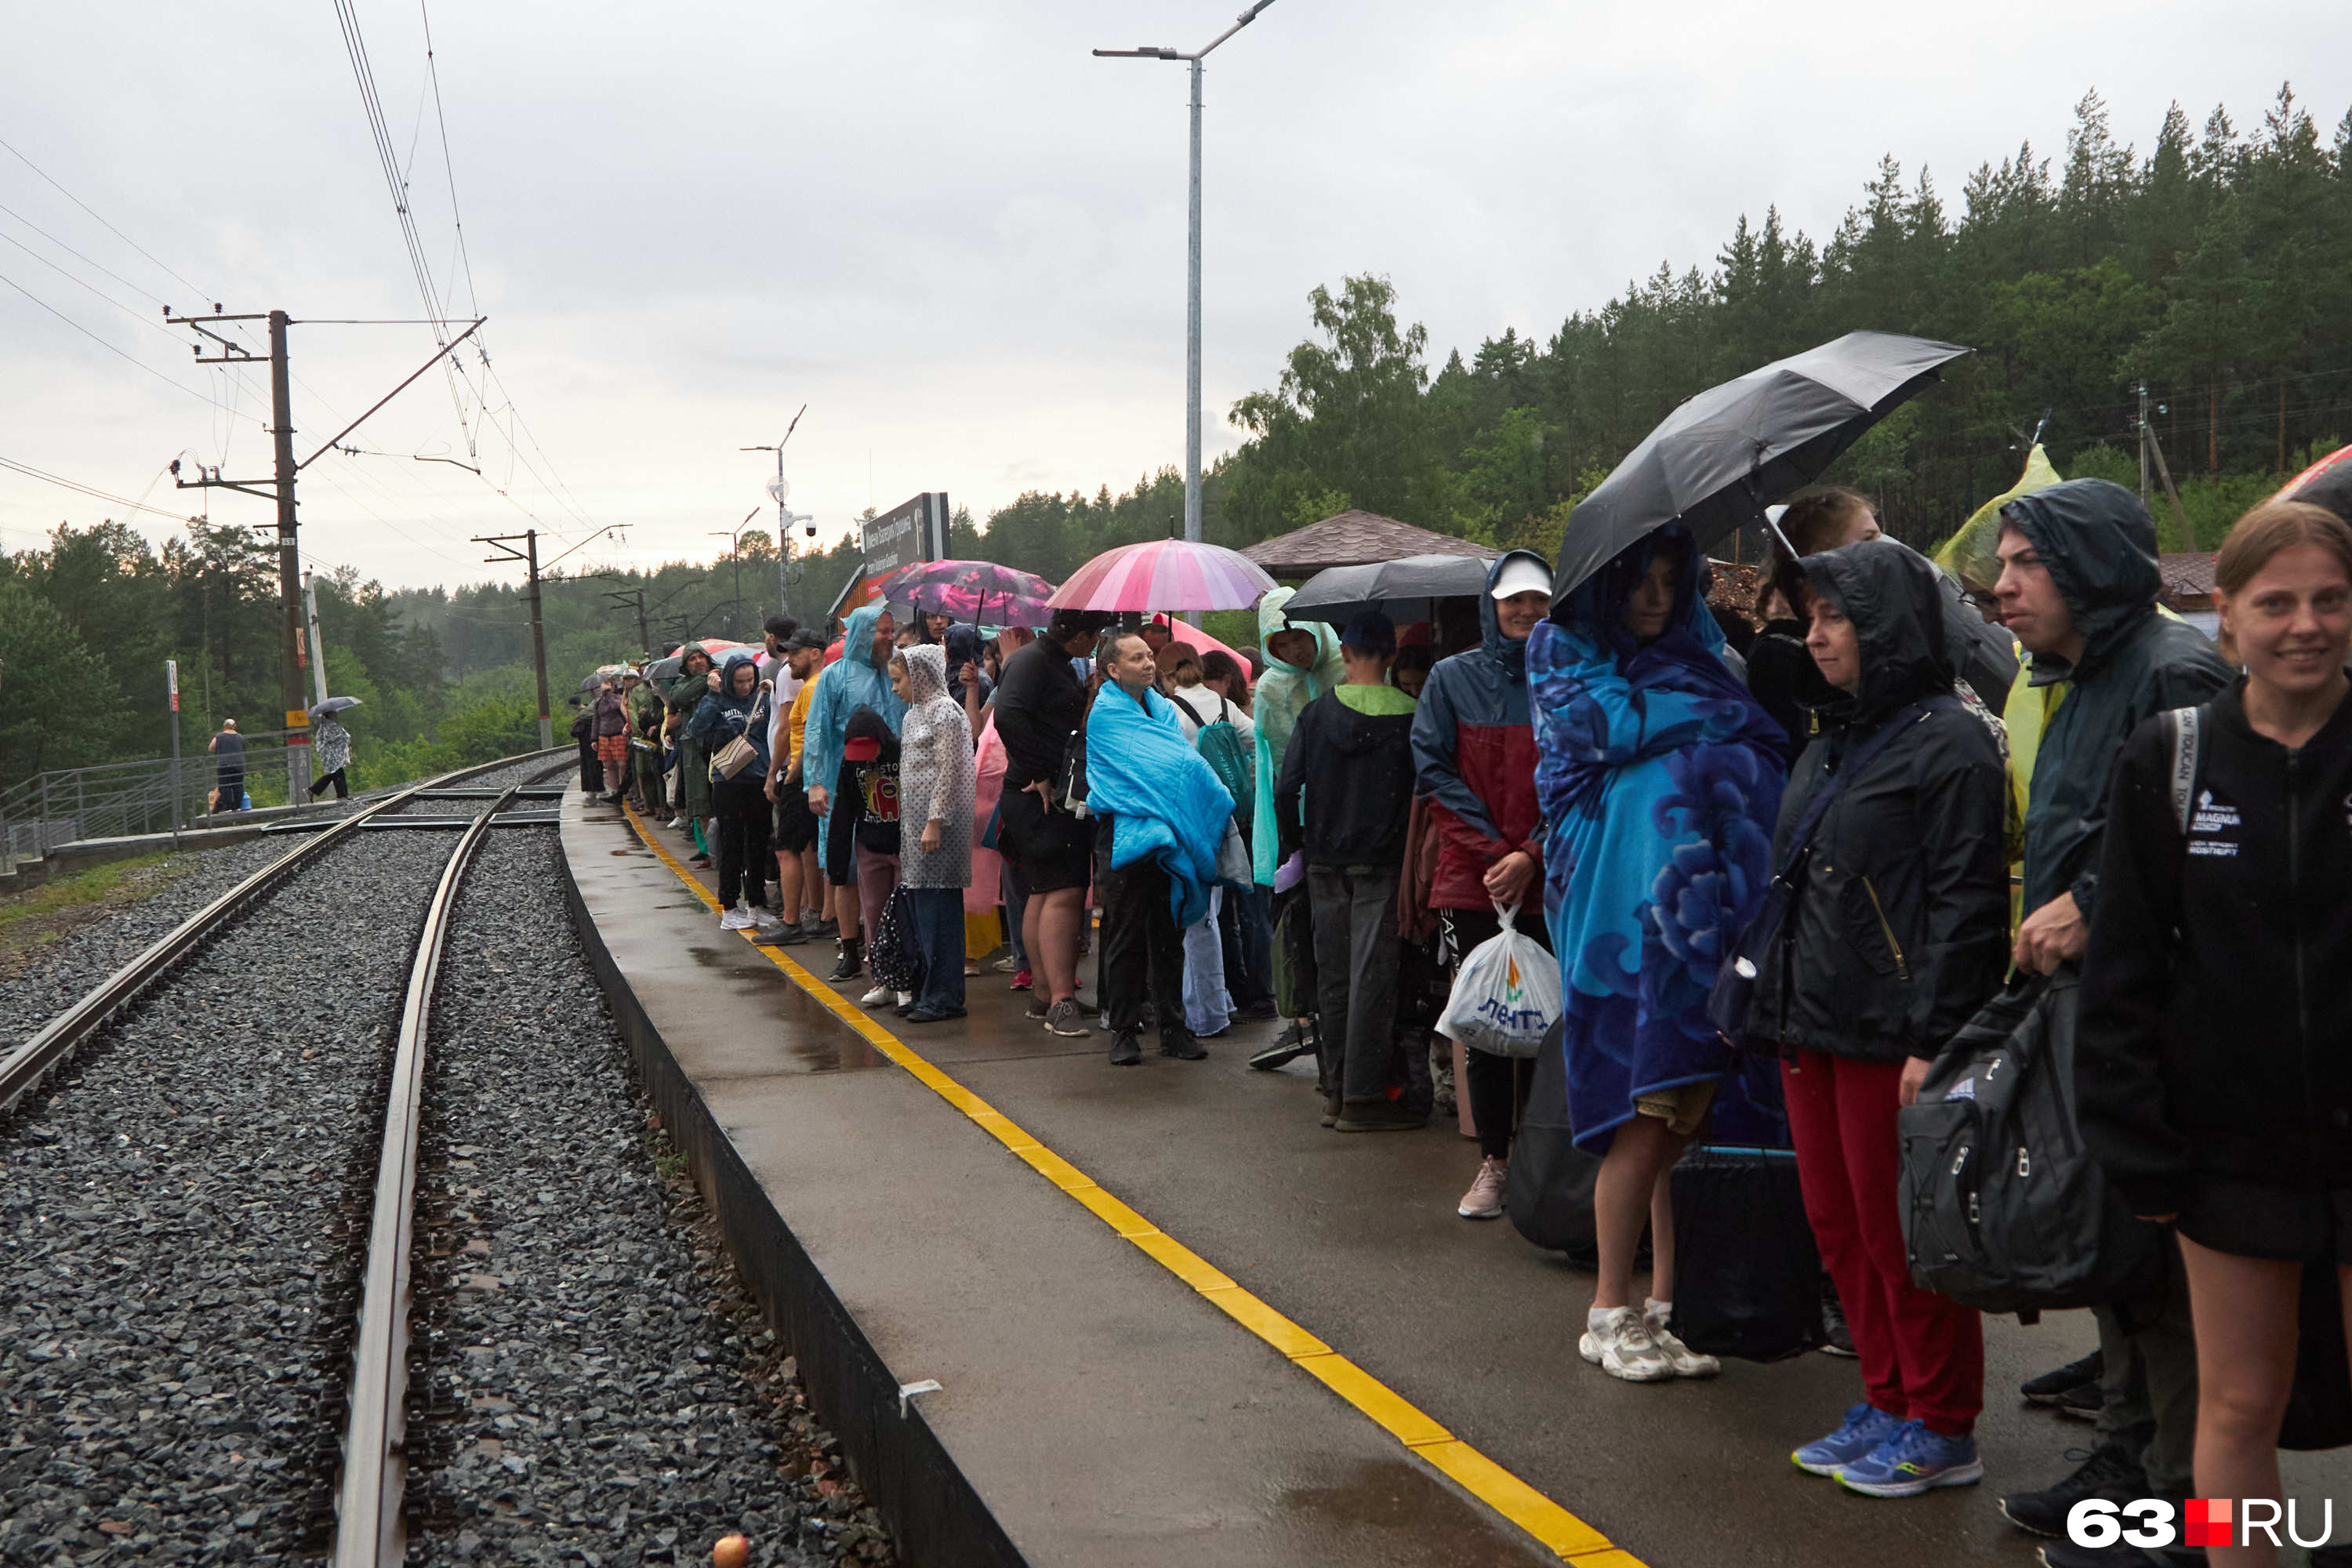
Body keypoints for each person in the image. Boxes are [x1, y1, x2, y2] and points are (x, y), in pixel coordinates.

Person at [2075, 501, 2352, 1568]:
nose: (2306, 625)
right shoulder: (2172, 756)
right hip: (2225, 1156)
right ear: (2224, 616)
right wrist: (2142, 1153)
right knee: (2235, 1409)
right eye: (2276, 603)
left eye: (2330, 599)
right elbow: (2124, 975)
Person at [1979, 481, 2236, 1555]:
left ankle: (2192, 1504)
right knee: (2118, 1256)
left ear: (2085, 563)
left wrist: (2091, 906)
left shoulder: (2177, 670)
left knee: (2177, 1279)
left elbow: (2217, 841)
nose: (1999, 587)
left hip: (2181, 1028)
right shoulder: (2074, 675)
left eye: (2024, 561)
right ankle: (2129, 1461)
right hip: (2101, 1017)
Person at [1742, 539, 2008, 1495]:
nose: (1813, 635)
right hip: (1810, 1021)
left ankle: (1942, 1421)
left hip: (1892, 1031)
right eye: (1808, 617)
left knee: (1903, 1232)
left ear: (1888, 624)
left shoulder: (1953, 740)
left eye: (1835, 617)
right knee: (1839, 1224)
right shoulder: (1831, 738)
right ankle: (1889, 1396)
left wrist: (1934, 1038)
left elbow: (1966, 903)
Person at [1529, 527, 1787, 1384]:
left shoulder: (1694, 652)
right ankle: (1609, 1308)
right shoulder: (1559, 646)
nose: (1653, 598)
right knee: (1640, 1113)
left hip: (1705, 919)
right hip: (1615, 906)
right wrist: (1725, 721)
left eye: (1671, 582)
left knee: (1687, 1115)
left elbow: (1746, 732)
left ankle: (1672, 1300)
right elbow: (1608, 724)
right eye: (1639, 581)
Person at [1410, 550, 1553, 1217]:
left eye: (1538, 600)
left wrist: (1533, 853)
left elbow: (1585, 778)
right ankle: (1494, 1161)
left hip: (1556, 878)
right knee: (1491, 1027)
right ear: (1491, 604)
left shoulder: (1571, 676)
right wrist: (1501, 854)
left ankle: (1549, 1164)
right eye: (1513, 600)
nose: (1525, 612)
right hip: (1476, 881)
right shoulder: (1451, 678)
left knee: (1559, 1022)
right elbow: (1435, 773)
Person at [1275, 611, 1421, 1131]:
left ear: (1348, 654)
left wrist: (1299, 845)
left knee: (1332, 978)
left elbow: (1286, 788)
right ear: (1389, 656)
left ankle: (1335, 1091)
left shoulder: (1316, 715)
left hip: (1324, 863)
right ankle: (1364, 1099)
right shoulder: (1411, 715)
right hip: (1382, 863)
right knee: (1373, 978)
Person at [1085, 630, 1231, 1067]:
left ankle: (1174, 1027)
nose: (1149, 664)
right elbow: (1172, 768)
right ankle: (1125, 1031)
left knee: (1169, 937)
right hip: (1126, 836)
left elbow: (1175, 767)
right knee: (1127, 937)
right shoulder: (1105, 715)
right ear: (1114, 670)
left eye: (1150, 656)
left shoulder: (1163, 709)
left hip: (1168, 834)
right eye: (1137, 658)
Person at [1249, 589, 1348, 1069]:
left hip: (1351, 811)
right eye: (1281, 644)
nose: (1293, 652)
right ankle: (1304, 1020)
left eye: (1299, 639)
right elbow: (1270, 764)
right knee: (1299, 919)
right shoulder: (1269, 689)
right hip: (1299, 818)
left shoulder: (1348, 669)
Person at [993, 609, 1103, 1038]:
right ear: (1078, 637)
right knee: (1063, 892)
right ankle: (1060, 1000)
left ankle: (1044, 995)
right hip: (1038, 793)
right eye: (1093, 636)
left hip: (1038, 792)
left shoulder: (1047, 660)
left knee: (1044, 890)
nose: (1095, 644)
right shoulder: (1034, 660)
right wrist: (1039, 771)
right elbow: (1007, 716)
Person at [801, 605, 904, 981]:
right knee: (843, 869)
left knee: (888, 865)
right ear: (863, 633)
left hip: (890, 785)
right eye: (883, 632)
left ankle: (890, 944)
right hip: (843, 784)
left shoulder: (895, 673)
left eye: (892, 631)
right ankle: (848, 946)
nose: (890, 638)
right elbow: (816, 730)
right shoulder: (834, 676)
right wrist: (814, 782)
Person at [891, 644, 978, 1024]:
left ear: (920, 675)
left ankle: (945, 996)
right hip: (914, 827)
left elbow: (951, 768)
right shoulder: (913, 714)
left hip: (938, 830)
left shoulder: (946, 711)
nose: (895, 688)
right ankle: (927, 988)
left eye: (899, 680)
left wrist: (935, 819)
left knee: (939, 911)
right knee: (920, 909)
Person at [825, 705, 905, 1006]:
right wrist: (837, 865)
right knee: (873, 916)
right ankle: (882, 979)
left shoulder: (900, 751)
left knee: (903, 916)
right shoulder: (850, 765)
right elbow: (843, 813)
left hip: (902, 846)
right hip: (870, 846)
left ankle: (906, 980)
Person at [690, 653, 775, 931]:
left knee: (759, 843)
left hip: (760, 777)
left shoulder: (762, 696)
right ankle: (729, 906)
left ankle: (756, 903)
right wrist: (713, 697)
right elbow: (696, 728)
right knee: (732, 843)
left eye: (750, 679)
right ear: (728, 680)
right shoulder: (718, 700)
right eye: (739, 681)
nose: (745, 686)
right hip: (729, 780)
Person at [760, 630, 829, 945]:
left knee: (786, 848)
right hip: (813, 775)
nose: (789, 660)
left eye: (796, 653)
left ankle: (791, 922)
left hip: (803, 776)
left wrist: (786, 774)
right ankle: (823, 915)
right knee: (814, 847)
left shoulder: (812, 689)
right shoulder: (819, 685)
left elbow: (809, 738)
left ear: (815, 653)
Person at [664, 644, 720, 860]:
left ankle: (724, 852)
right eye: (692, 659)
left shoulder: (722, 674)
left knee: (722, 803)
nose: (698, 661)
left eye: (701, 657)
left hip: (718, 744)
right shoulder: (681, 684)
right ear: (686, 665)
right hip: (693, 750)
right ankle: (709, 852)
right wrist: (706, 680)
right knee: (701, 803)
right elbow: (679, 698)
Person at [590, 677, 629, 802]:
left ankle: (623, 791)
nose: (605, 687)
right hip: (604, 735)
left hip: (618, 734)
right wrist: (594, 738)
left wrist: (609, 694)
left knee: (622, 764)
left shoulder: (618, 698)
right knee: (609, 765)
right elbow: (596, 720)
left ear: (613, 686)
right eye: (603, 685)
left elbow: (616, 706)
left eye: (607, 685)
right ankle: (614, 790)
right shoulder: (598, 703)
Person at [307, 707, 354, 800]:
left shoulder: (328, 725)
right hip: (331, 754)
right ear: (329, 714)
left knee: (336, 773)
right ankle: (341, 795)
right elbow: (334, 737)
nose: (336, 714)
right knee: (335, 773)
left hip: (333, 754)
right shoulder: (327, 726)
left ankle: (342, 794)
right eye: (333, 713)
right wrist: (342, 733)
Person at [208, 718, 245, 814]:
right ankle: (238, 806)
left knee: (225, 786)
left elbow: (211, 748)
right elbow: (244, 748)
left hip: (224, 765)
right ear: (235, 726)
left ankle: (228, 807)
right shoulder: (240, 737)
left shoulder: (219, 736)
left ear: (224, 727)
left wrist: (219, 750)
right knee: (238, 786)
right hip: (239, 765)